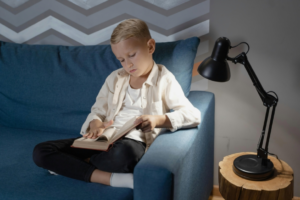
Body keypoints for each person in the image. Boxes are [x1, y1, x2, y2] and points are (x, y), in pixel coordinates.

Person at [32, 18, 201, 189]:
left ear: (150, 46)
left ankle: (69, 166)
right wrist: (96, 122)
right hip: (103, 139)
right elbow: (98, 109)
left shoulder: (164, 79)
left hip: (131, 143)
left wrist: (158, 120)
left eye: (132, 55)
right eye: (121, 59)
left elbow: (193, 115)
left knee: (124, 155)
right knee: (41, 151)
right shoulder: (115, 78)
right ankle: (109, 178)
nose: (128, 64)